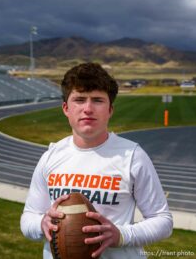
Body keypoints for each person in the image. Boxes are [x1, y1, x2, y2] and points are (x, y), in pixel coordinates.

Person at [20, 62, 173, 259]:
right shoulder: (51, 156)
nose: (88, 108)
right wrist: (41, 224)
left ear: (110, 110)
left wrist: (121, 235)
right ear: (66, 108)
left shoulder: (132, 156)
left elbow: (163, 220)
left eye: (98, 100)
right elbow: (28, 218)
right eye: (80, 99)